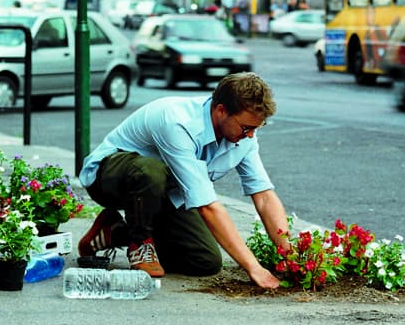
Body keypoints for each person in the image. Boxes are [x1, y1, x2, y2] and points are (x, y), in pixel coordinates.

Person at [76, 72, 286, 289]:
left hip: (164, 193)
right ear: (221, 110)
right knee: (150, 170)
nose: (251, 135)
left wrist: (288, 254)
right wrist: (255, 268)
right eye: (246, 128)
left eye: (257, 128)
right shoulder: (176, 120)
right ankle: (139, 243)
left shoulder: (244, 136)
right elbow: (207, 207)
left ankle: (113, 231)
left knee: (205, 261)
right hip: (109, 178)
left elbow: (263, 195)